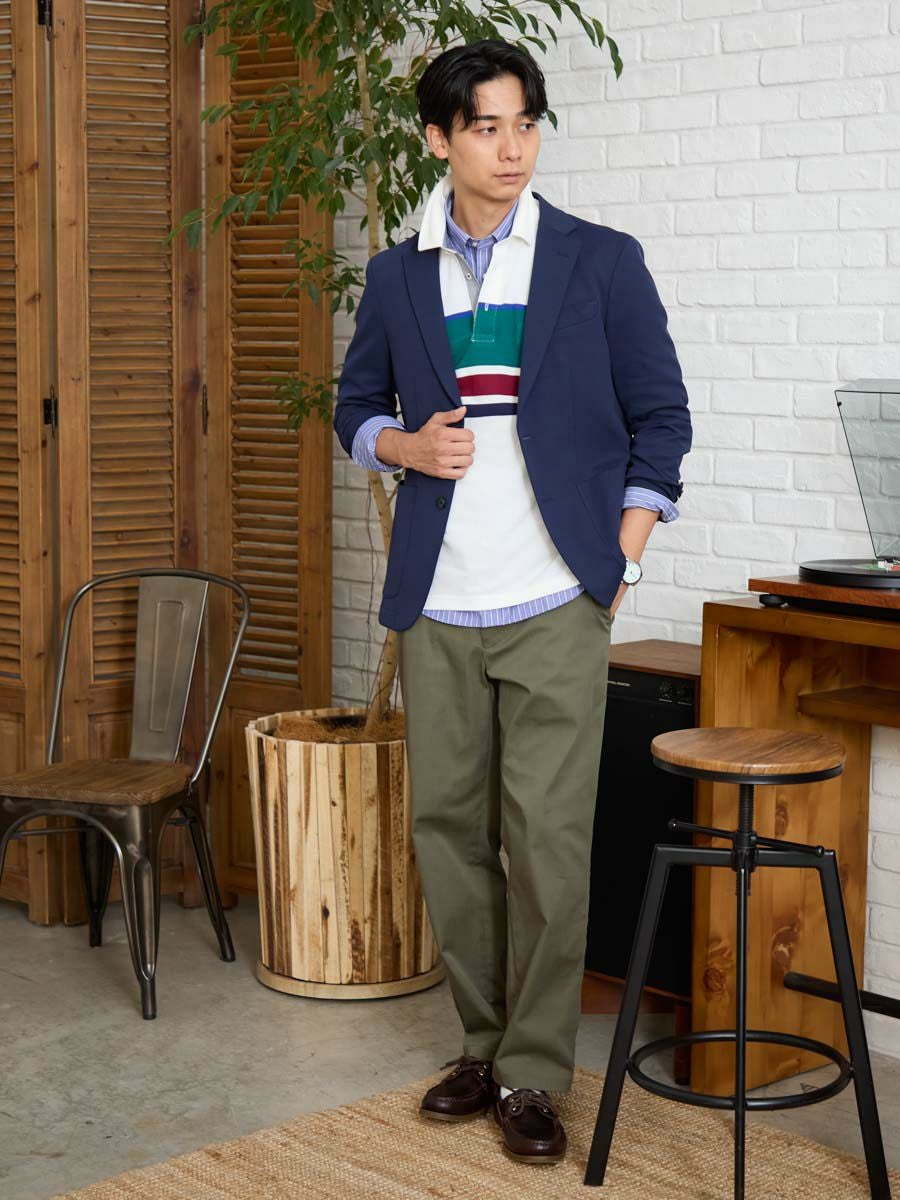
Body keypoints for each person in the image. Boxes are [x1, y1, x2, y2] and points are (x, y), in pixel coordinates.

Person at [333, 37, 691, 1166]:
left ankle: (536, 1070)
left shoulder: (599, 261)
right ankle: (482, 1046)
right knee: (448, 833)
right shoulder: (399, 275)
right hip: (438, 601)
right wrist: (403, 445)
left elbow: (663, 420)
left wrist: (617, 563)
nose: (511, 147)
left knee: (546, 843)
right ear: (439, 139)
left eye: (524, 124)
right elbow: (351, 407)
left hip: (553, 598)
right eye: (486, 127)